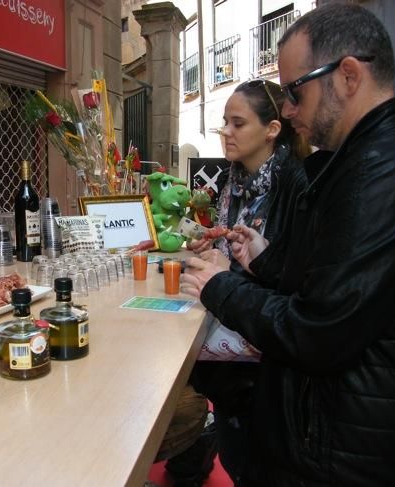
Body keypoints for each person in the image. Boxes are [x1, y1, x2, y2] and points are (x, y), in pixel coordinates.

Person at [181, 4, 395, 486]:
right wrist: (267, 261)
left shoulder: (378, 174)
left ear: (348, 76)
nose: (288, 110)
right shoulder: (356, 164)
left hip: (342, 454)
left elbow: (318, 331)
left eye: (295, 91)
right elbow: (331, 286)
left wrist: (219, 286)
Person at [165, 79, 309, 486]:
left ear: (272, 129)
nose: (226, 132)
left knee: (253, 456)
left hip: (265, 350)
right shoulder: (234, 179)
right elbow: (240, 251)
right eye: (224, 123)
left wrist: (236, 267)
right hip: (234, 325)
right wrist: (217, 253)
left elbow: (290, 276)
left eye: (237, 123)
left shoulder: (294, 185)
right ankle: (196, 454)